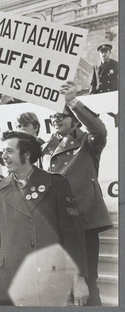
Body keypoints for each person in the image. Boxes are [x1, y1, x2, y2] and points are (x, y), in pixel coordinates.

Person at [0, 130, 89, 306]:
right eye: (2, 152)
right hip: (12, 278)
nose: (3, 157)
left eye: (9, 151)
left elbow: (73, 236)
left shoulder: (56, 184)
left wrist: (79, 278)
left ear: (27, 153)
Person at [41, 82, 112, 306]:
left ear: (74, 120)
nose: (56, 119)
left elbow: (99, 130)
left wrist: (73, 101)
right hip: (55, 224)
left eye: (62, 115)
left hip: (83, 221)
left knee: (86, 284)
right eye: (53, 116)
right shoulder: (46, 147)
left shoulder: (87, 142)